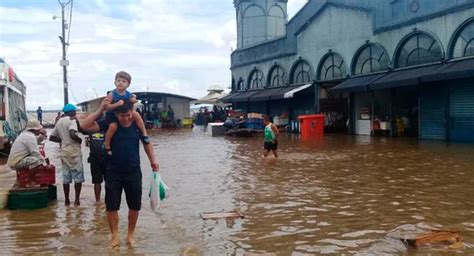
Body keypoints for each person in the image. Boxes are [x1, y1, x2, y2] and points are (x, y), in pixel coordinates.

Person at [79, 100, 159, 248]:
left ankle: (130, 235)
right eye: (122, 116)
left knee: (135, 206)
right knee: (112, 206)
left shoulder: (136, 123)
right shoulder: (110, 123)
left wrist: (153, 160)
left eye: (129, 115)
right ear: (116, 114)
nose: (126, 118)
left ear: (132, 112)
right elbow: (84, 126)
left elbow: (147, 142)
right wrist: (100, 109)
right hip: (113, 171)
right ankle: (115, 235)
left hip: (133, 171)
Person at [103, 71, 149, 155]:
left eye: (124, 81)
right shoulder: (111, 94)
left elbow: (133, 99)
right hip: (113, 114)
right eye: (119, 80)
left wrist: (134, 99)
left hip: (124, 114)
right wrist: (117, 104)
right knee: (113, 126)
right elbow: (106, 107)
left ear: (128, 84)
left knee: (136, 114)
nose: (120, 83)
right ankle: (106, 144)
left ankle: (144, 134)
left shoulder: (128, 94)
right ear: (115, 82)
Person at [49, 104, 84, 206]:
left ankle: (67, 200)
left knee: (66, 177)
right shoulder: (72, 121)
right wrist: (79, 139)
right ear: (72, 112)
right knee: (78, 176)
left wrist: (63, 140)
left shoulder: (59, 121)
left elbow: (51, 137)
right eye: (75, 111)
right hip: (74, 151)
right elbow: (73, 134)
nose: (76, 113)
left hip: (64, 151)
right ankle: (77, 200)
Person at [7, 120, 47, 185]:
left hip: (15, 160)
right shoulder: (30, 137)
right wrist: (45, 165)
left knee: (38, 158)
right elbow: (35, 153)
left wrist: (42, 135)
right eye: (38, 129)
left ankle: (20, 179)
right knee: (38, 160)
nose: (39, 131)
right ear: (34, 130)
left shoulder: (25, 134)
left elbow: (35, 141)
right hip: (17, 162)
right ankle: (31, 180)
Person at [87, 132, 106, 203]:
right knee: (97, 182)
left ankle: (100, 201)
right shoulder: (106, 126)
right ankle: (98, 201)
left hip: (105, 158)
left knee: (100, 182)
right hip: (95, 159)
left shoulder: (91, 128)